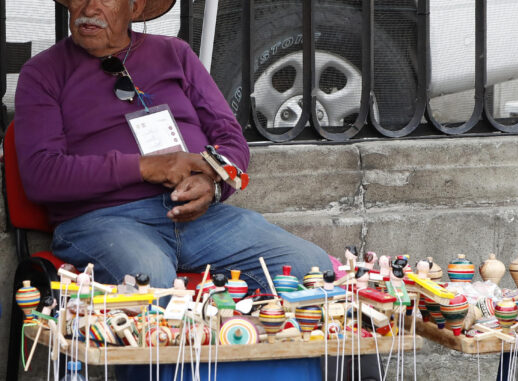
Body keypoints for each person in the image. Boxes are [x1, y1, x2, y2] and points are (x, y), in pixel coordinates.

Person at [13, 0, 333, 295]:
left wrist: (212, 184)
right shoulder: (43, 73)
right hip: (102, 220)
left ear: (134, 7)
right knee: (147, 279)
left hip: (201, 218)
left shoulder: (175, 54)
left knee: (309, 268)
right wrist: (147, 166)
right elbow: (42, 175)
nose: (89, 8)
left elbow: (232, 140)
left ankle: (255, 357)